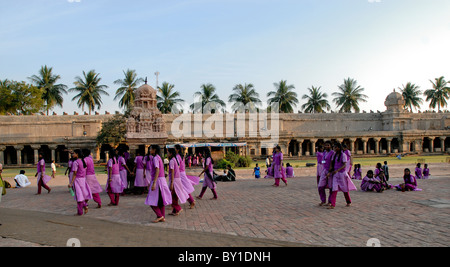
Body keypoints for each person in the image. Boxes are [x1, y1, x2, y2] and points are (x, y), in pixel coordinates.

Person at [145, 145, 172, 223]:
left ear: (154, 150)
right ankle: (162, 216)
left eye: (151, 149)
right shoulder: (159, 157)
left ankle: (160, 215)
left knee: (151, 200)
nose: (150, 151)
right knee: (160, 200)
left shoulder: (155, 158)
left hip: (158, 181)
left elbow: (157, 170)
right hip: (161, 180)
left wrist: (154, 183)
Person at [327, 143, 357, 209]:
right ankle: (333, 204)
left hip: (342, 174)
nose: (334, 149)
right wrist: (330, 170)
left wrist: (337, 170)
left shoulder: (343, 155)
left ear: (338, 148)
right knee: (334, 188)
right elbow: (332, 162)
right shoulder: (334, 155)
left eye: (335, 147)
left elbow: (344, 165)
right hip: (335, 174)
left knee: (344, 188)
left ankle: (348, 201)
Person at [68, 149, 93, 216]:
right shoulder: (83, 161)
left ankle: (80, 211)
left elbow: (75, 173)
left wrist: (71, 183)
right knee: (82, 195)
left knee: (79, 196)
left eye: (74, 153)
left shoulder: (76, 162)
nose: (73, 155)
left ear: (77, 154)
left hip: (77, 180)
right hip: (83, 179)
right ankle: (85, 205)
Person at [174, 144, 197, 209]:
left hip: (179, 174)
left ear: (177, 149)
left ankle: (191, 201)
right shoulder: (181, 156)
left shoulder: (177, 156)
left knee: (182, 189)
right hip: (182, 173)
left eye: (175, 148)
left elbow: (177, 166)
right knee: (178, 189)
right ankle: (174, 204)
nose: (174, 150)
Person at [167, 148, 189, 216]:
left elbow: (172, 172)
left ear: (170, 153)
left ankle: (178, 208)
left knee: (171, 195)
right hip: (177, 179)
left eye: (167, 153)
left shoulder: (171, 161)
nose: (167, 154)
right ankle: (175, 211)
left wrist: (171, 183)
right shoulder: (175, 160)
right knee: (175, 196)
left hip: (174, 180)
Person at [318, 141, 334, 206]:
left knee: (331, 187)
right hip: (324, 170)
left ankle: (330, 201)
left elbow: (332, 162)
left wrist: (330, 171)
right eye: (325, 145)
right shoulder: (324, 152)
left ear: (330, 146)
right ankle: (323, 200)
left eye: (328, 145)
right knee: (320, 186)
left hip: (330, 171)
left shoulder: (332, 153)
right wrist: (322, 163)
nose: (326, 146)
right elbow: (324, 160)